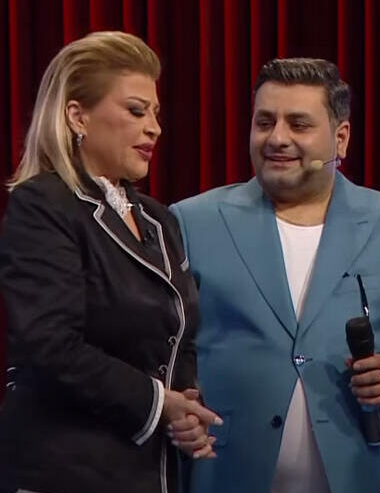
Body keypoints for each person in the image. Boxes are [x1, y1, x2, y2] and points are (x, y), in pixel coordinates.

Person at [170, 58, 380, 493]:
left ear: (341, 138)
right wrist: (178, 401)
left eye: (298, 124)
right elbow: (160, 347)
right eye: (264, 122)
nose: (277, 138)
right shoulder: (192, 222)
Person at [0, 31, 221, 493]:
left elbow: (177, 339)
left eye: (155, 114)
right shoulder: (43, 206)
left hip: (151, 475)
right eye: (137, 111)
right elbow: (49, 344)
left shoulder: (160, 220)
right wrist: (160, 403)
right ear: (77, 115)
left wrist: (187, 408)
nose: (154, 128)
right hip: (66, 472)